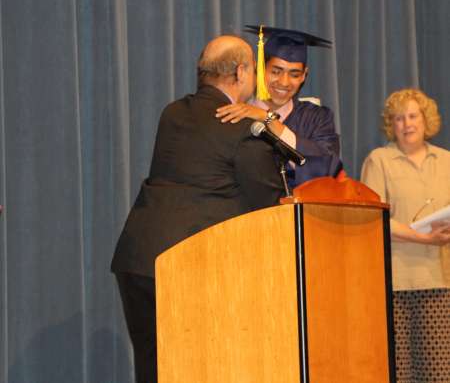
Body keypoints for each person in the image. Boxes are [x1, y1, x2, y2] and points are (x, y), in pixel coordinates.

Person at [111, 35, 284, 383]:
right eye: (253, 69)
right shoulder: (245, 128)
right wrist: (269, 126)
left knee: (155, 370)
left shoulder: (173, 113)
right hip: (190, 265)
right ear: (240, 72)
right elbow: (270, 207)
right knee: (200, 370)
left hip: (139, 259)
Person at [360, 88, 450, 382]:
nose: (407, 124)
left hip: (440, 279)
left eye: (413, 116)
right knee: (399, 371)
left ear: (426, 120)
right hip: (394, 282)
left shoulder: (446, 161)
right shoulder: (379, 160)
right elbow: (374, 217)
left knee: (439, 372)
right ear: (391, 124)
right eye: (399, 118)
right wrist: (423, 238)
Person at [216, 25, 342, 188]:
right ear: (260, 69)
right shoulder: (236, 113)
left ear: (305, 75)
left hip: (300, 211)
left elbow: (328, 170)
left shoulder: (317, 118)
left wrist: (268, 120)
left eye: (294, 74)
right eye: (276, 71)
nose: (284, 82)